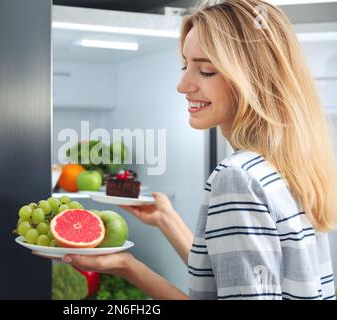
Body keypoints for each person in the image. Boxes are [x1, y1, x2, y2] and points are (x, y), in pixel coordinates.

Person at [40, 0, 337, 300]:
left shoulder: (238, 177)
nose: (183, 85)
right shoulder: (289, 167)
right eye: (185, 66)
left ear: (253, 79)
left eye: (206, 70)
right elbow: (232, 276)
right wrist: (166, 220)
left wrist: (130, 267)